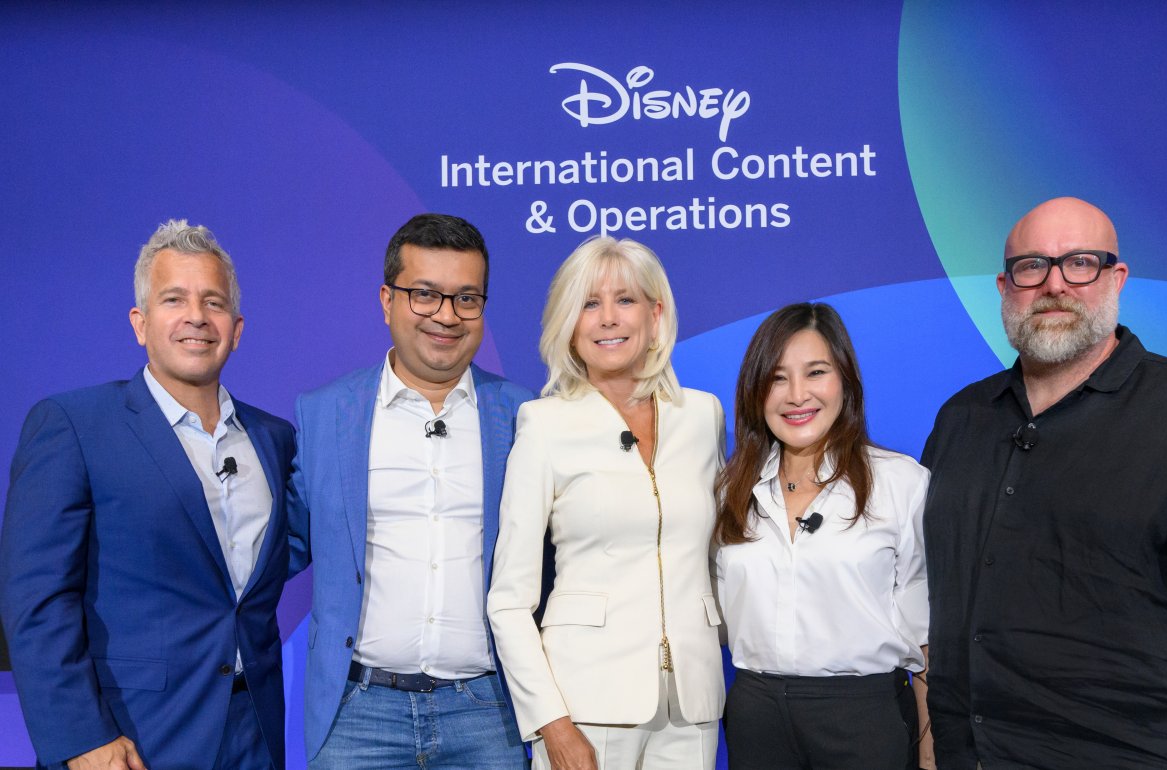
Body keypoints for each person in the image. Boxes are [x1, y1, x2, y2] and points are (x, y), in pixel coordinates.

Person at [921, 196, 1167, 769]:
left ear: (1117, 277)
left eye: (1080, 262)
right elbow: (931, 599)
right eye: (1032, 266)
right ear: (1005, 287)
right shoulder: (962, 418)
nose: (1054, 284)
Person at [0, 220, 295, 769]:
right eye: (173, 299)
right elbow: (36, 600)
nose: (196, 316)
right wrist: (81, 738)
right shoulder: (73, 424)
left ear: (236, 328)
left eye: (213, 302)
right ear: (140, 323)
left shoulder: (275, 439)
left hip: (254, 732)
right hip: (131, 739)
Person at [287, 214, 532, 768]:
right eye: (424, 294)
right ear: (387, 300)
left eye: (466, 299)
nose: (446, 315)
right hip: (357, 714)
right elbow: (282, 546)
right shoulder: (326, 414)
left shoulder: (525, 415)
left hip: (490, 712)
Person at [487, 236, 726, 770]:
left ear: (655, 315)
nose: (608, 318)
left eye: (625, 300)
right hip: (585, 707)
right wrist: (552, 723)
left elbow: (719, 560)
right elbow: (508, 600)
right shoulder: (544, 424)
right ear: (569, 325)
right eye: (589, 303)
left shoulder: (703, 416)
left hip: (692, 708)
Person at [713, 302, 933, 770]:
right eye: (777, 378)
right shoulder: (730, 492)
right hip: (756, 717)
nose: (797, 395)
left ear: (845, 381)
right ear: (755, 390)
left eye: (816, 372)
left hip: (863, 720)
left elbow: (928, 636)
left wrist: (932, 754)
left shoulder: (901, 483)